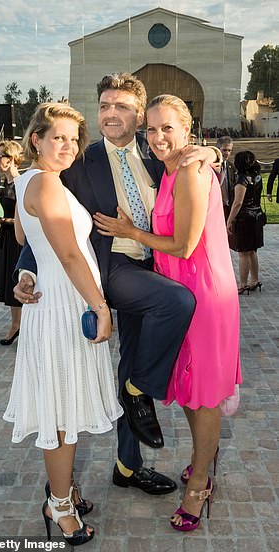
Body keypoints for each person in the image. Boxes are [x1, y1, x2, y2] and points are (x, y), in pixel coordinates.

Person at [14, 73, 222, 496]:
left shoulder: (156, 155)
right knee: (175, 307)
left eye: (122, 107)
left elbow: (194, 163)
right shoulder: (78, 162)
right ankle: (139, 391)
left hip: (152, 270)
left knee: (132, 368)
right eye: (105, 105)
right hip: (110, 274)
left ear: (139, 115)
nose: (111, 113)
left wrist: (211, 151)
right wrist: (26, 270)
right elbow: (50, 224)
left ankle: (128, 464)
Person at [93, 94, 241, 532]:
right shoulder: (170, 165)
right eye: (152, 129)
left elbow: (184, 245)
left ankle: (198, 483)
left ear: (188, 128)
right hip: (177, 289)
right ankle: (200, 461)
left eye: (168, 128)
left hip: (203, 291)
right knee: (192, 387)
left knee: (206, 393)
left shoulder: (193, 169)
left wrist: (129, 231)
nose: (158, 138)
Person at [3, 103, 123, 545]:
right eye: (59, 137)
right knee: (60, 412)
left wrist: (28, 274)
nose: (69, 146)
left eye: (74, 138)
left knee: (63, 406)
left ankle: (63, 488)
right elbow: (70, 254)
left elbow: (24, 238)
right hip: (63, 309)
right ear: (36, 139)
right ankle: (59, 505)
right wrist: (102, 307)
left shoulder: (31, 181)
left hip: (54, 301)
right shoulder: (47, 184)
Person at [0, 140, 23, 345]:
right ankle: (15, 325)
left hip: (19, 240)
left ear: (11, 159)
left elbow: (25, 218)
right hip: (7, 238)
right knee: (11, 284)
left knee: (20, 283)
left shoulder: (22, 182)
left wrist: (0, 220)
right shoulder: (9, 184)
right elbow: (1, 192)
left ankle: (22, 327)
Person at [227, 151, 264, 294]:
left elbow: (238, 202)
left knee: (243, 252)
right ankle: (254, 280)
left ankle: (242, 284)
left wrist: (229, 221)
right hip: (257, 215)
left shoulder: (242, 179)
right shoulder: (257, 177)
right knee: (252, 250)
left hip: (245, 218)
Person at [215, 136, 236, 220]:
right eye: (224, 150)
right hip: (215, 206)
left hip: (228, 206)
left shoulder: (232, 166)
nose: (227, 153)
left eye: (229, 150)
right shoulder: (210, 166)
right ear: (218, 149)